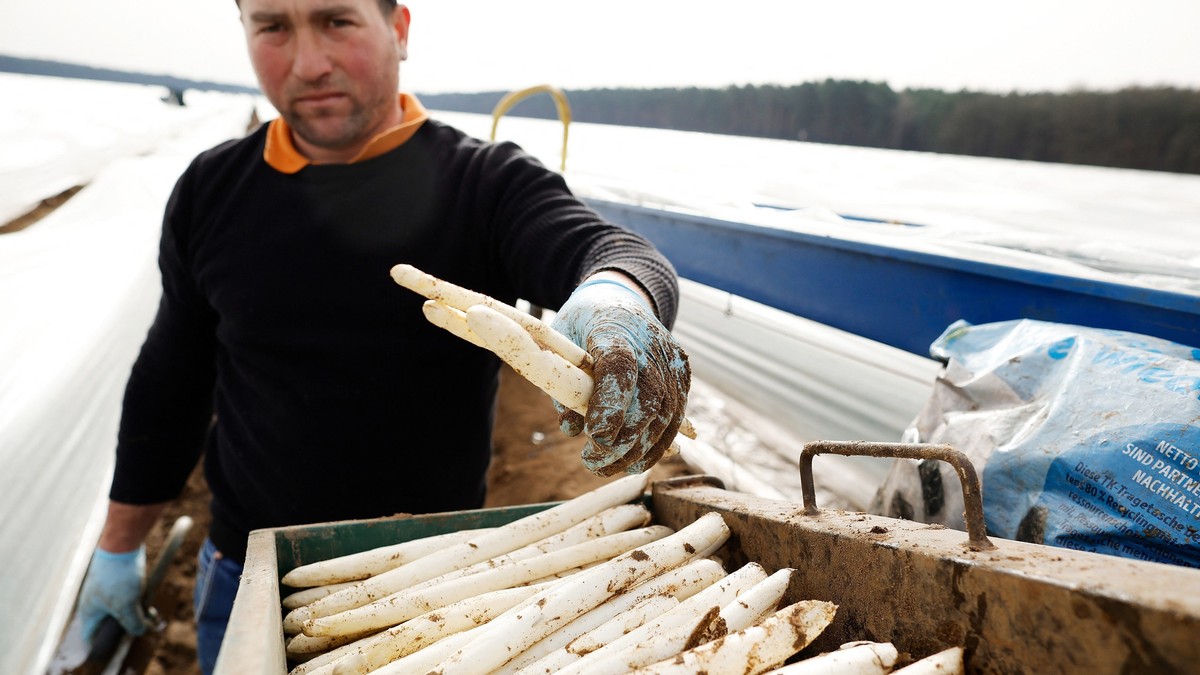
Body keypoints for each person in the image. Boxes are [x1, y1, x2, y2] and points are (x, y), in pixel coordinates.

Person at [71, 0, 690, 673]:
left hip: (433, 591)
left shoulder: (483, 183)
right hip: (247, 575)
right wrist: (118, 547)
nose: (309, 63)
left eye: (336, 20)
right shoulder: (211, 190)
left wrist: (613, 300)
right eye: (273, 26)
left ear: (398, 30)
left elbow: (613, 250)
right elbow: (172, 379)